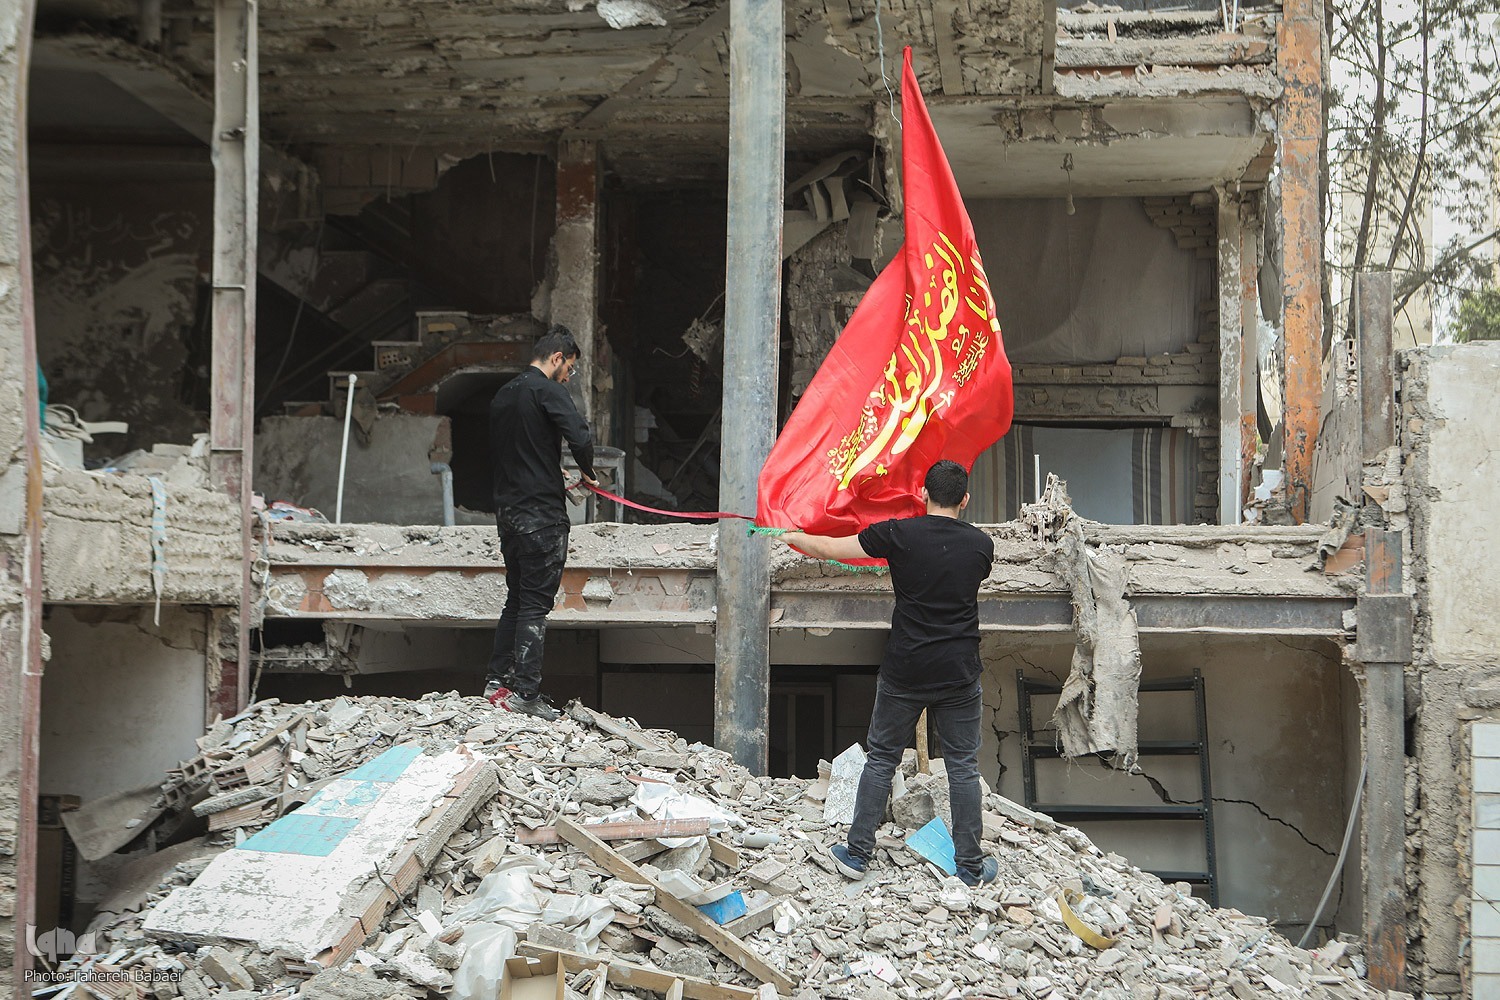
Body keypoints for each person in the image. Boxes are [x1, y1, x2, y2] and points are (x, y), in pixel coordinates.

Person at [779, 459, 999, 886]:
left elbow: (830, 548)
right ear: (965, 500)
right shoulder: (980, 546)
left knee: (881, 758)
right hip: (958, 670)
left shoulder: (898, 534)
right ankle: (970, 867)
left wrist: (791, 536)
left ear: (923, 494)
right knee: (962, 767)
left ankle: (857, 853)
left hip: (906, 667)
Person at [484, 326, 598, 721]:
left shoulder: (502, 395)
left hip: (509, 516)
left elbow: (519, 454)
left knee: (515, 600)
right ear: (556, 358)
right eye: (570, 367)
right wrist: (588, 471)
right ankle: (526, 695)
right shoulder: (547, 390)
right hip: (542, 518)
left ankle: (497, 682)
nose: (569, 376)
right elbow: (579, 436)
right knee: (534, 605)